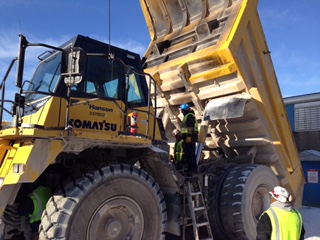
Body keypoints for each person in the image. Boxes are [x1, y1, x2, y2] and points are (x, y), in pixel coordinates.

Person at [180, 103, 198, 173]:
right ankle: (191, 168)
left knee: (190, 154)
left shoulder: (189, 116)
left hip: (190, 138)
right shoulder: (189, 115)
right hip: (189, 138)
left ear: (183, 111)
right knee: (189, 154)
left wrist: (189, 137)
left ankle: (192, 170)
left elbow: (190, 127)